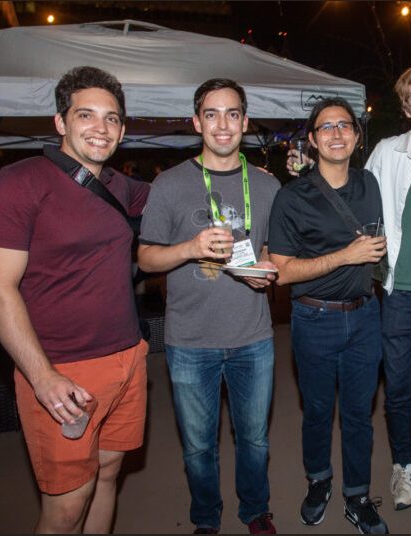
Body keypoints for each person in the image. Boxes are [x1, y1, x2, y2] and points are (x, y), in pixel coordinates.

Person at [287, 62, 411, 512]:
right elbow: (352, 196)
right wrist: (302, 175)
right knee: (398, 391)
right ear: (405, 107)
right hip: (400, 297)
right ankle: (405, 467)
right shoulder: (386, 152)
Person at [0, 66, 149, 533]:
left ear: (123, 130)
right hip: (63, 370)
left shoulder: (121, 187)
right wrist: (41, 375)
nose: (101, 127)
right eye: (86, 114)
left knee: (108, 475)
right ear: (60, 122)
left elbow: (178, 198)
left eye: (112, 119)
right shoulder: (16, 185)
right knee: (67, 506)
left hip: (128, 358)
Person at [137, 78, 279, 535]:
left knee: (254, 440)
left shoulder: (267, 184)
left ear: (245, 121)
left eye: (232, 113)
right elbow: (144, 258)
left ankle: (255, 510)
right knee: (199, 446)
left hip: (253, 337)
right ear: (197, 122)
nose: (223, 124)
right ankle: (206, 518)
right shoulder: (170, 183)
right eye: (212, 114)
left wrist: (269, 269)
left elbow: (276, 250)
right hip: (189, 341)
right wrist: (190, 247)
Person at [268, 97, 388, 534]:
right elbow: (281, 272)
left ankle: (358, 495)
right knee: (318, 411)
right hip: (314, 319)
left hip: (365, 317)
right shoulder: (291, 197)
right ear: (314, 140)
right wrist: (347, 255)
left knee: (359, 414)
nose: (336, 133)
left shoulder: (371, 184)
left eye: (344, 126)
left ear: (356, 137)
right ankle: (318, 481)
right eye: (326, 127)